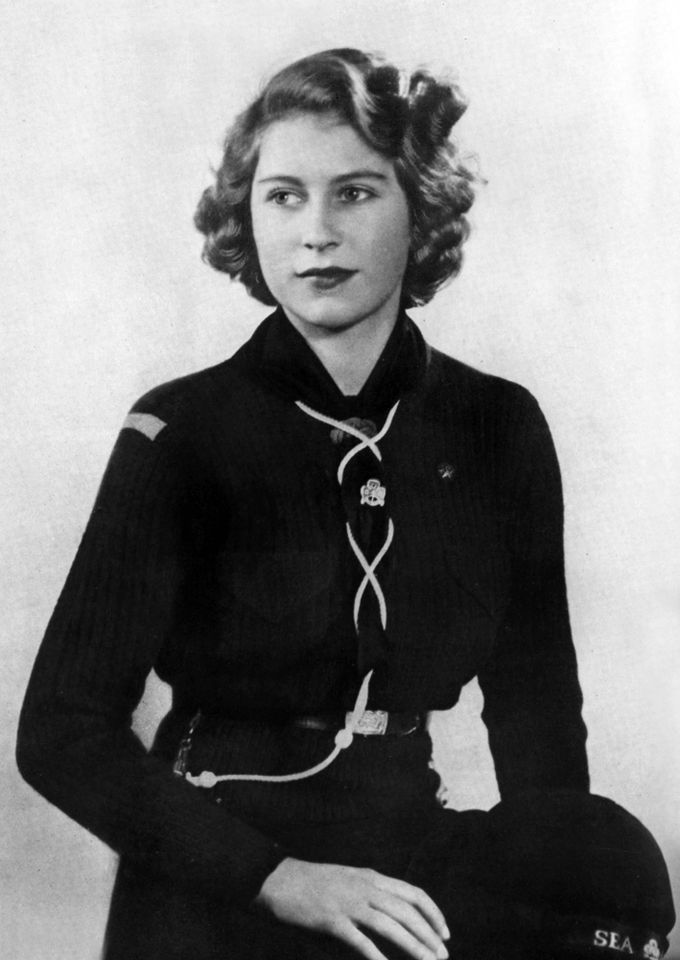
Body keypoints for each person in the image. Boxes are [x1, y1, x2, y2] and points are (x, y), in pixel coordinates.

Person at [16, 48, 675, 960]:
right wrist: (277, 881)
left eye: (356, 193)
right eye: (284, 196)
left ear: (423, 209)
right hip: (218, 871)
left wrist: (550, 905)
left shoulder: (499, 427)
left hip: (410, 852)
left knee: (612, 890)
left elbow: (538, 717)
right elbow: (61, 735)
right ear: (247, 217)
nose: (315, 231)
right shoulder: (180, 432)